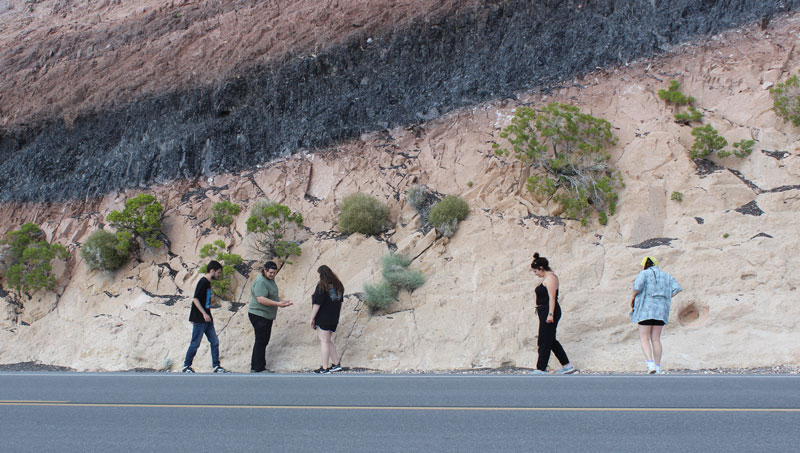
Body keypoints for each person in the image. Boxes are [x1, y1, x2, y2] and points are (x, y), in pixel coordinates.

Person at [630, 256, 682, 374]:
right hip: (661, 310)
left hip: (645, 309)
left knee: (644, 337)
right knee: (656, 339)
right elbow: (677, 288)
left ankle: (650, 363)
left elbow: (637, 287)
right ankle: (658, 366)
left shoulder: (644, 274)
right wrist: (665, 297)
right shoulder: (666, 275)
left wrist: (633, 298)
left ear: (645, 265)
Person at [530, 253, 576, 375]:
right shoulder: (545, 278)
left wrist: (550, 314)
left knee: (544, 340)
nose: (535, 274)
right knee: (550, 340)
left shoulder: (551, 278)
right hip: (544, 311)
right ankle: (567, 366)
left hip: (549, 311)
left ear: (541, 268)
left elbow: (552, 298)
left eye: (535, 271)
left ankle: (541, 368)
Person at [182, 260, 229, 373]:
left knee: (214, 341)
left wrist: (208, 314)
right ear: (212, 271)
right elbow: (195, 299)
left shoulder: (208, 283)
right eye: (218, 272)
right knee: (195, 343)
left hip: (207, 318)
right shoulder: (203, 282)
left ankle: (216, 366)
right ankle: (186, 366)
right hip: (200, 318)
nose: (219, 275)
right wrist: (203, 313)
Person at [249, 261, 293, 373]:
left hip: (266, 315)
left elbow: (271, 295)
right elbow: (261, 299)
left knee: (262, 340)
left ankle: (255, 367)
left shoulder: (269, 280)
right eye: (270, 272)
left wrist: (281, 301)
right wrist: (278, 304)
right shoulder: (260, 281)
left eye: (274, 273)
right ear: (265, 270)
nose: (272, 275)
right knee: (261, 340)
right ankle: (259, 368)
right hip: (259, 314)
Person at [309, 265, 344, 374]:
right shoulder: (337, 286)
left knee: (324, 341)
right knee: (328, 340)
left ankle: (324, 368)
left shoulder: (322, 286)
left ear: (321, 274)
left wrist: (312, 317)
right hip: (334, 317)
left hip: (323, 317)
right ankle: (336, 363)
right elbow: (338, 302)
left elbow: (317, 303)